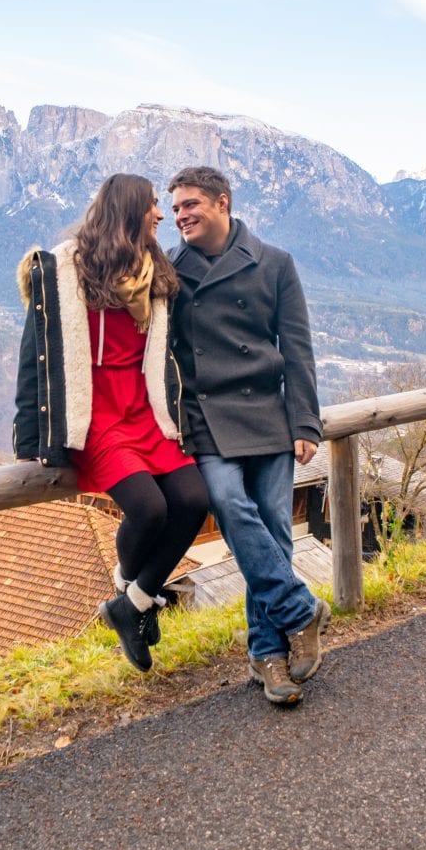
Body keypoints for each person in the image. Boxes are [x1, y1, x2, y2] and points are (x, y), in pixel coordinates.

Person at [13, 173, 209, 673]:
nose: (161, 215)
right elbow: (35, 355)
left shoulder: (155, 270)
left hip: (144, 409)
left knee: (192, 499)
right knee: (147, 508)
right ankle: (131, 593)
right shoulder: (65, 269)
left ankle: (132, 603)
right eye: (151, 206)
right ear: (127, 211)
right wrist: (29, 435)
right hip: (96, 413)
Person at [168, 166, 330, 706]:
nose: (181, 215)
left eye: (191, 204)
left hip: (268, 413)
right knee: (232, 506)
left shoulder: (276, 263)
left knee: (276, 533)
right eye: (175, 209)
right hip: (207, 417)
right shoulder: (171, 272)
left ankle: (269, 658)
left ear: (222, 202)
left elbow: (297, 345)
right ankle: (300, 608)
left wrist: (305, 420)